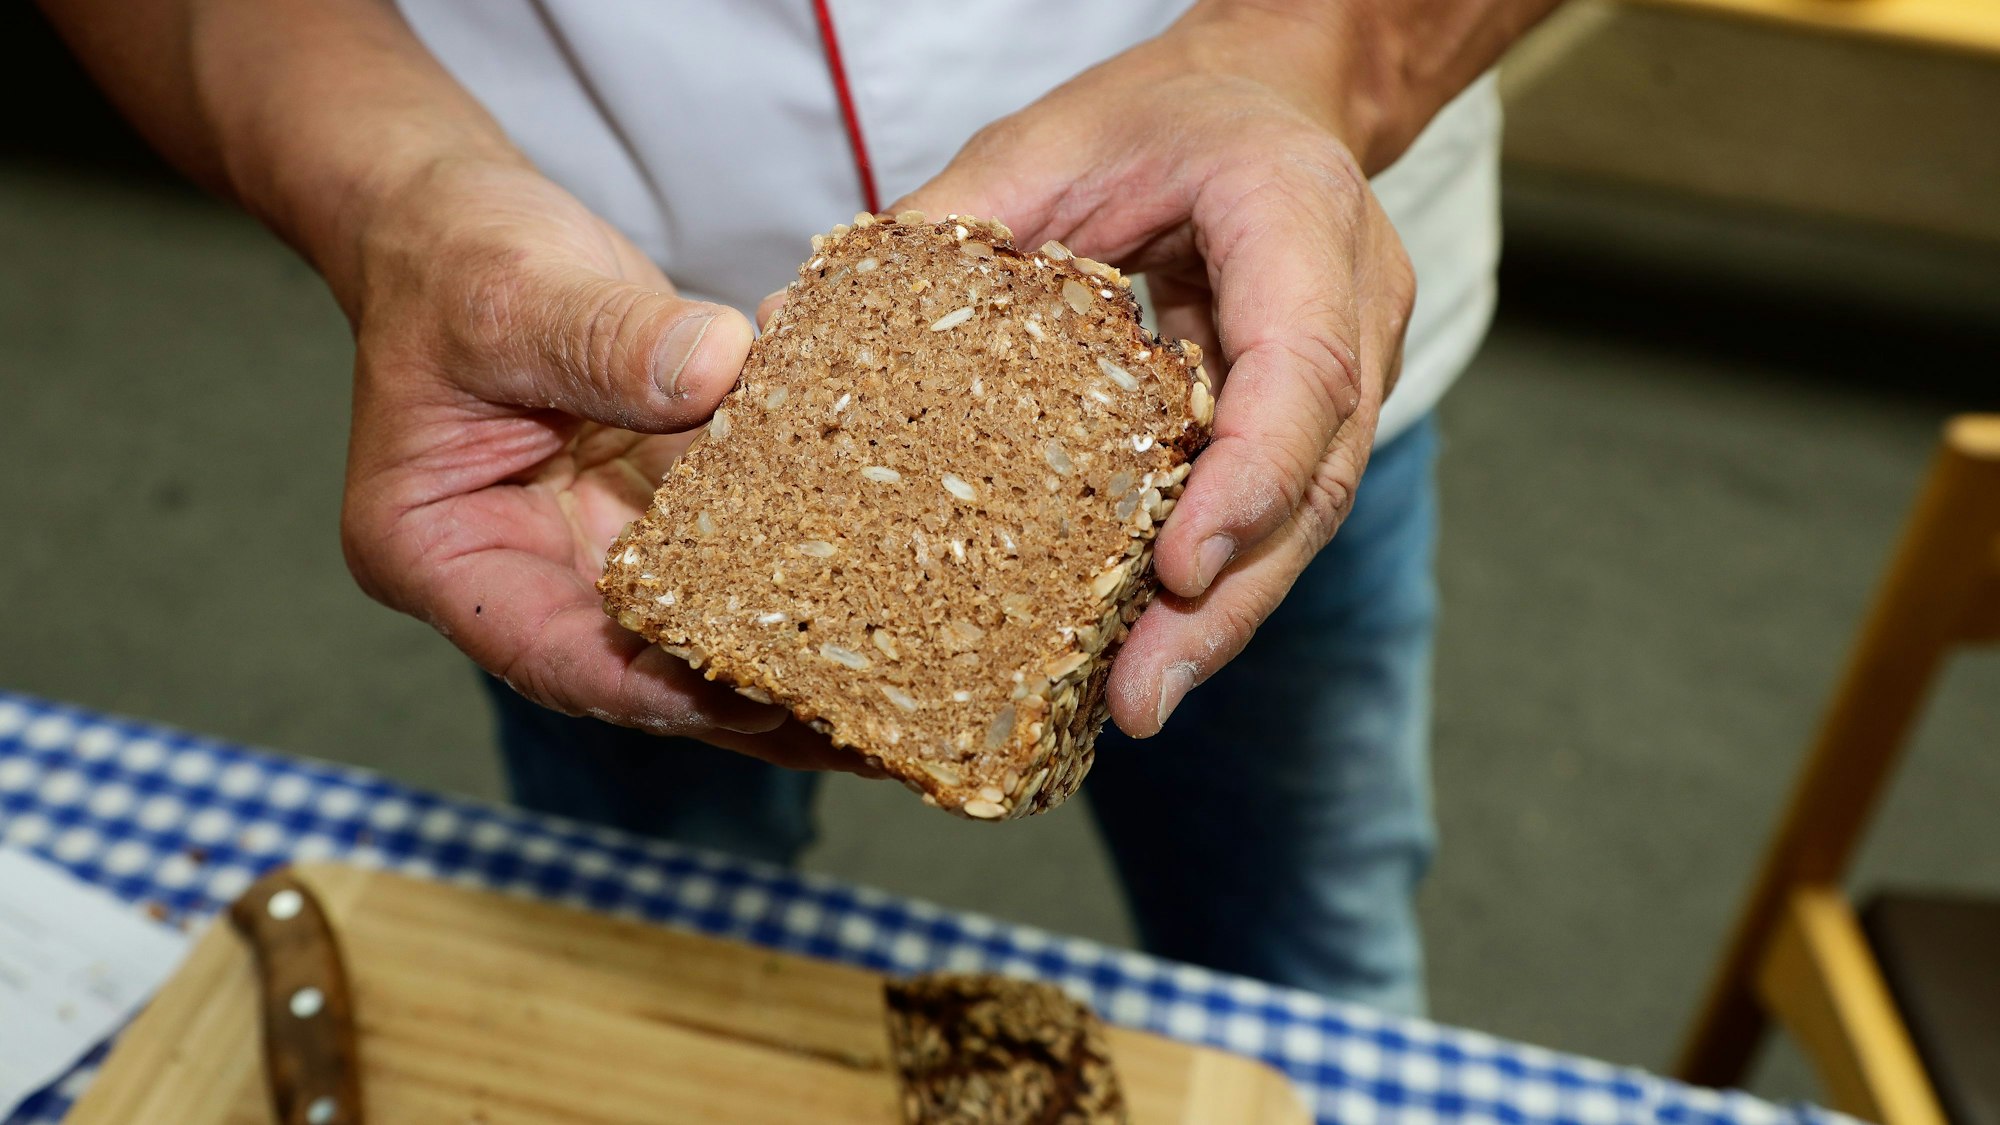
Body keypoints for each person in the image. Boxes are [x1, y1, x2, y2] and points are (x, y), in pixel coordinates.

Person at [42, 0, 1557, 1015]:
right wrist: (385, 199)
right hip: (584, 391)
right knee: (659, 957)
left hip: (1245, 313)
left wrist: (1330, 54)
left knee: (1301, 943)